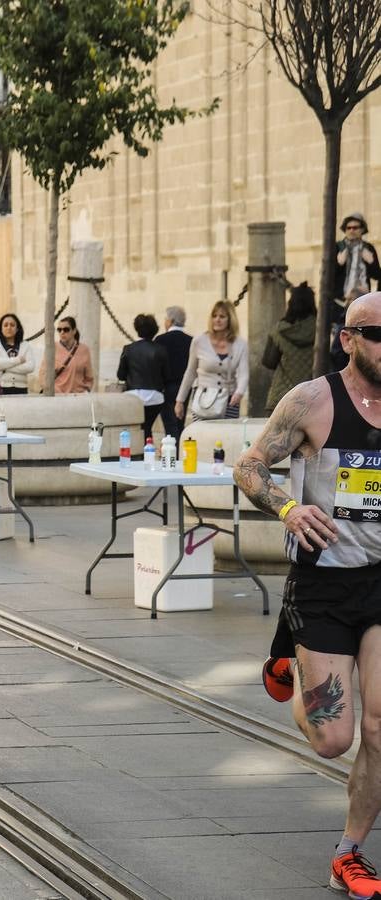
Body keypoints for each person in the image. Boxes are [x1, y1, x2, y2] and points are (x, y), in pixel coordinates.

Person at [234, 291, 381, 900]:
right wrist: (290, 509)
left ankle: (350, 852)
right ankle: (294, 664)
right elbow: (248, 468)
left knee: (380, 728)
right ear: (348, 339)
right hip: (321, 585)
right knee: (333, 737)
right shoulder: (313, 401)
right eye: (379, 335)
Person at [176, 299, 248, 423]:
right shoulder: (199, 341)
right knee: (202, 436)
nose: (217, 320)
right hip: (203, 399)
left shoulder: (240, 344)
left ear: (230, 319)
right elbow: (190, 372)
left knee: (227, 437)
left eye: (222, 316)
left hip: (230, 400)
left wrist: (239, 392)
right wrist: (180, 400)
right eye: (214, 316)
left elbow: (244, 373)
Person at [329, 214, 381, 370]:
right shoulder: (338, 248)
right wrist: (338, 263)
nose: (351, 231)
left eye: (355, 228)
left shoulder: (368, 248)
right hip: (341, 303)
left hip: (362, 302)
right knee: (339, 344)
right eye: (348, 228)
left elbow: (376, 275)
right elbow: (328, 276)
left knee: (362, 342)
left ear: (362, 230)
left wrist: (371, 261)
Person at [116, 314, 170, 443]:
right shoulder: (160, 350)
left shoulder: (128, 349)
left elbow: (120, 375)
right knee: (147, 426)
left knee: (137, 428)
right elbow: (167, 375)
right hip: (155, 397)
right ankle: (147, 450)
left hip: (133, 395)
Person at [267, 283, 319, 413]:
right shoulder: (320, 330)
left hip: (282, 396)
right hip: (313, 397)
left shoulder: (280, 329)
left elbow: (269, 362)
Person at [155, 306, 192, 441]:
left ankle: (173, 454)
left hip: (167, 387)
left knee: (169, 425)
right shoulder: (190, 340)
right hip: (185, 388)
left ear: (170, 321)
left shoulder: (160, 340)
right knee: (179, 423)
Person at [0, 313, 34, 394]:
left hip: (21, 389)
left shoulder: (25, 345)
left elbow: (30, 367)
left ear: (17, 328)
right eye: (5, 325)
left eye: (12, 325)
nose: (9, 327)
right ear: (1, 328)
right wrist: (17, 361)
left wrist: (3, 366)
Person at [44, 316, 94, 393]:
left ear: (74, 331)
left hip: (77, 397)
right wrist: (52, 390)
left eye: (66, 329)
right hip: (57, 396)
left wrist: (86, 390)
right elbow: (43, 374)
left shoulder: (84, 350)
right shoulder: (52, 348)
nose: (62, 332)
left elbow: (89, 377)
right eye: (59, 330)